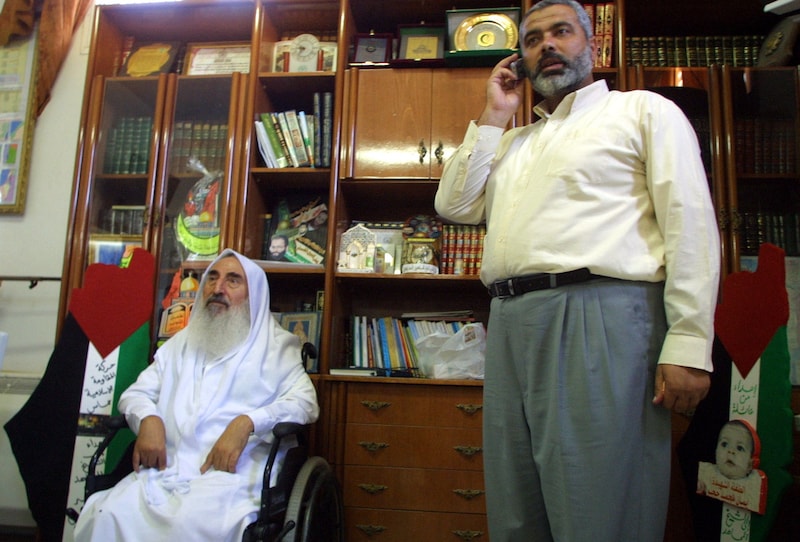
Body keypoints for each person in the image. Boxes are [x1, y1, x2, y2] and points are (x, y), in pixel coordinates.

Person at [434, 1, 720, 540]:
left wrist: (688, 342)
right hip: (512, 323)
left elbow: (691, 226)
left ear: (592, 44)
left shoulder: (643, 111)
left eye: (560, 32)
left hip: (600, 318)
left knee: (598, 510)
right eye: (533, 39)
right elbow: (454, 204)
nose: (546, 46)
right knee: (517, 510)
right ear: (520, 59)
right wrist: (495, 116)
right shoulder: (514, 142)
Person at [74, 249, 319, 541]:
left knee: (185, 523)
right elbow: (137, 393)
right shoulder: (182, 342)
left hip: (233, 475)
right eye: (212, 278)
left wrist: (247, 423)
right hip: (168, 467)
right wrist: (148, 418)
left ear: (253, 295)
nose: (218, 288)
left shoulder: (277, 347)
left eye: (233, 281)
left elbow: (305, 403)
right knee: (109, 513)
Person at [697, 419, 768, 514]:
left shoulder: (753, 486)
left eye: (739, 448)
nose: (730, 451)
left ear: (750, 465)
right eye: (724, 444)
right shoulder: (706, 475)